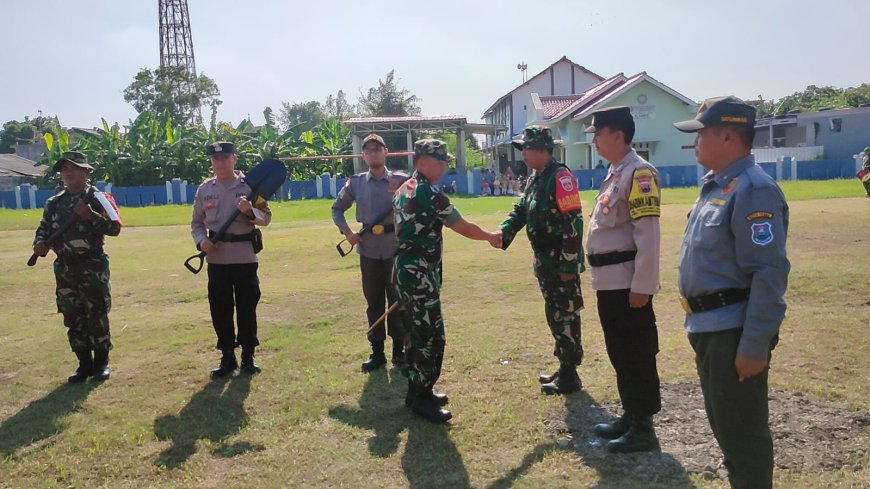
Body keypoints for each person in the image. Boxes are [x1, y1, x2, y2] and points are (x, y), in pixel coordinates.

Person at [674, 96, 790, 488]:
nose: (695, 142)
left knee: (744, 436)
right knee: (728, 429)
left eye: (701, 134)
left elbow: (769, 272)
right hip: (709, 327)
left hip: (733, 332)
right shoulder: (718, 186)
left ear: (727, 136)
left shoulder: (754, 190)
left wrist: (754, 344)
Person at [393, 139, 499, 423]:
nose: (444, 167)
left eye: (444, 162)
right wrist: (490, 236)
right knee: (430, 336)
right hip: (419, 274)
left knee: (415, 333)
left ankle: (416, 390)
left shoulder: (404, 188)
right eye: (439, 162)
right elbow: (461, 225)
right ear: (422, 162)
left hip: (405, 271)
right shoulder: (429, 193)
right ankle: (422, 396)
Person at [583, 107, 662, 453]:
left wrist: (642, 286)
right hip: (608, 281)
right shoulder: (616, 172)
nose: (594, 140)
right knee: (620, 351)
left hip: (628, 282)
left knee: (636, 352)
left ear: (617, 135)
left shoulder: (640, 173)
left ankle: (643, 428)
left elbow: (648, 234)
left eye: (598, 133)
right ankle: (631, 415)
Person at [494, 125, 585, 395]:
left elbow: (574, 221)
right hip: (545, 261)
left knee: (565, 314)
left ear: (544, 149)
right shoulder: (536, 178)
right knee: (555, 314)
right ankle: (564, 367)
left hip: (560, 261)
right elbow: (522, 209)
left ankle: (570, 375)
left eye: (528, 149)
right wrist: (505, 232)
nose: (523, 154)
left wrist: (569, 264)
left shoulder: (560, 177)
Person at [32, 151, 122, 382]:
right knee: (72, 316)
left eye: (74, 168)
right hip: (65, 268)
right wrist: (39, 243)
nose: (69, 173)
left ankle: (101, 363)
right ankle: (84, 364)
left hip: (91, 265)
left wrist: (90, 215)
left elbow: (115, 229)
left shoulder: (98, 198)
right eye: (65, 169)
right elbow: (43, 229)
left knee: (96, 314)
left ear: (86, 172)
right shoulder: (54, 202)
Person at [191, 141, 272, 377]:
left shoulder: (250, 187)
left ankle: (248, 357)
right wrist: (200, 241)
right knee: (220, 309)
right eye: (216, 159)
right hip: (216, 259)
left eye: (225, 158)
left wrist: (249, 211)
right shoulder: (205, 190)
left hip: (244, 257)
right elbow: (196, 223)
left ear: (234, 158)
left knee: (247, 307)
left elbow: (266, 218)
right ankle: (227, 357)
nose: (220, 162)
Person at [332, 133, 408, 372]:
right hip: (368, 251)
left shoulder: (403, 180)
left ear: (386, 152)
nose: (373, 153)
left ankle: (399, 353)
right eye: (369, 150)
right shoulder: (355, 183)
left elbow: (416, 208)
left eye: (378, 149)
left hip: (395, 249)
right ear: (363, 156)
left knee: (397, 302)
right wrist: (347, 233)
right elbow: (337, 209)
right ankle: (377, 354)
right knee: (373, 302)